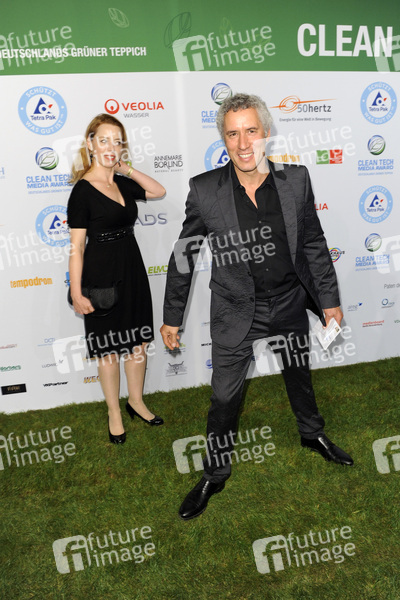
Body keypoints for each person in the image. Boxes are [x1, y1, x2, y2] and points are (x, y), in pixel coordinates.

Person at [160, 93, 353, 521]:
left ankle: (312, 434)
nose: (243, 143)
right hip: (234, 310)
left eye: (251, 131)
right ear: (223, 139)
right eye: (233, 134)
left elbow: (313, 243)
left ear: (266, 132)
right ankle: (214, 473)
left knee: (298, 375)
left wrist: (329, 300)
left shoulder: (296, 179)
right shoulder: (204, 189)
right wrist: (172, 316)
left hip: (289, 301)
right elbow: (185, 255)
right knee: (224, 398)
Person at [68, 113, 166, 444]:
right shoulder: (82, 192)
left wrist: (125, 168)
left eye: (117, 141)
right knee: (108, 350)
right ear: (90, 144)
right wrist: (77, 290)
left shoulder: (122, 183)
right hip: (101, 276)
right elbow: (76, 247)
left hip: (132, 269)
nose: (111, 146)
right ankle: (114, 412)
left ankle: (136, 402)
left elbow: (158, 190)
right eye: (104, 140)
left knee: (138, 343)